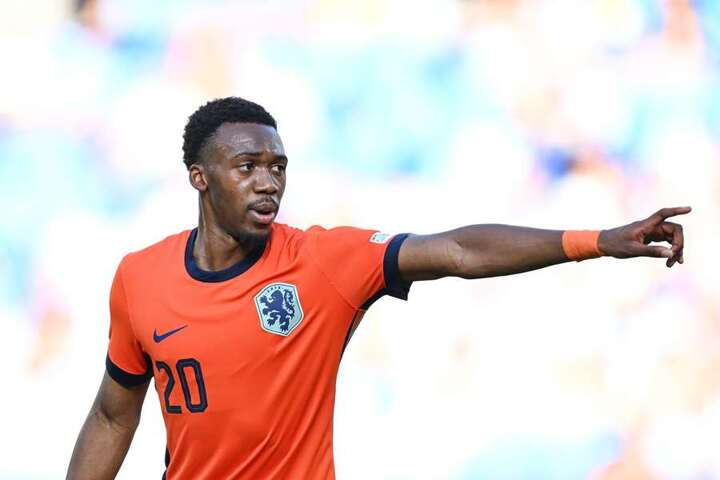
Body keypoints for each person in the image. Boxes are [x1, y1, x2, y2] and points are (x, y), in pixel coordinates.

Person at [66, 97, 690, 480]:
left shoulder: (321, 262)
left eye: (278, 167)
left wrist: (595, 240)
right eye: (246, 167)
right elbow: (113, 414)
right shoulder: (139, 277)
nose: (267, 182)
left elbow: (457, 250)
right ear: (199, 178)